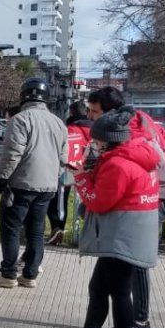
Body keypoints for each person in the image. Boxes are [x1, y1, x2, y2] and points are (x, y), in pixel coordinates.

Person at [47, 108, 158, 328]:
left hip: (120, 237)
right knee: (107, 289)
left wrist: (81, 179)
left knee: (112, 291)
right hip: (132, 234)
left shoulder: (119, 164)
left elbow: (99, 202)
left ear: (109, 141)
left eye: (96, 142)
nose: (93, 146)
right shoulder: (138, 157)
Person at [87, 86, 165, 328]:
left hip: (158, 196)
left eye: (94, 112)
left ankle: (139, 320)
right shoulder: (139, 120)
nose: (91, 116)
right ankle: (125, 326)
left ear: (111, 115)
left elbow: (120, 169)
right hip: (157, 192)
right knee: (118, 264)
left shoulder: (128, 131)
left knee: (133, 256)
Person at [0, 78, 67, 288]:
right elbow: (63, 159)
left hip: (21, 184)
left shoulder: (20, 120)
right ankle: (30, 274)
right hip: (47, 186)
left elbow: (13, 153)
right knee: (36, 230)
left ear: (23, 96)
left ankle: (8, 274)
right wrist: (53, 176)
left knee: (11, 228)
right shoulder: (59, 123)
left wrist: (0, 179)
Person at [47, 100, 92, 244]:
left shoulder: (69, 129)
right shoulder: (95, 130)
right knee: (90, 200)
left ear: (71, 113)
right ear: (86, 112)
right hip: (89, 170)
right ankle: (88, 233)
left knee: (59, 200)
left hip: (69, 168)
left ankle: (57, 229)